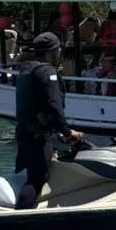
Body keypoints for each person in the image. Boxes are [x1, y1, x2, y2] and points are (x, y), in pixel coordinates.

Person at [14, 32, 84, 210]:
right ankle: (21, 219)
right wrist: (67, 132)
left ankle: (14, 207)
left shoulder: (26, 70)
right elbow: (53, 105)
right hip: (38, 135)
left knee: (23, 174)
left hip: (23, 132)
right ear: (53, 51)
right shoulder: (46, 72)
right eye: (58, 50)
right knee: (36, 179)